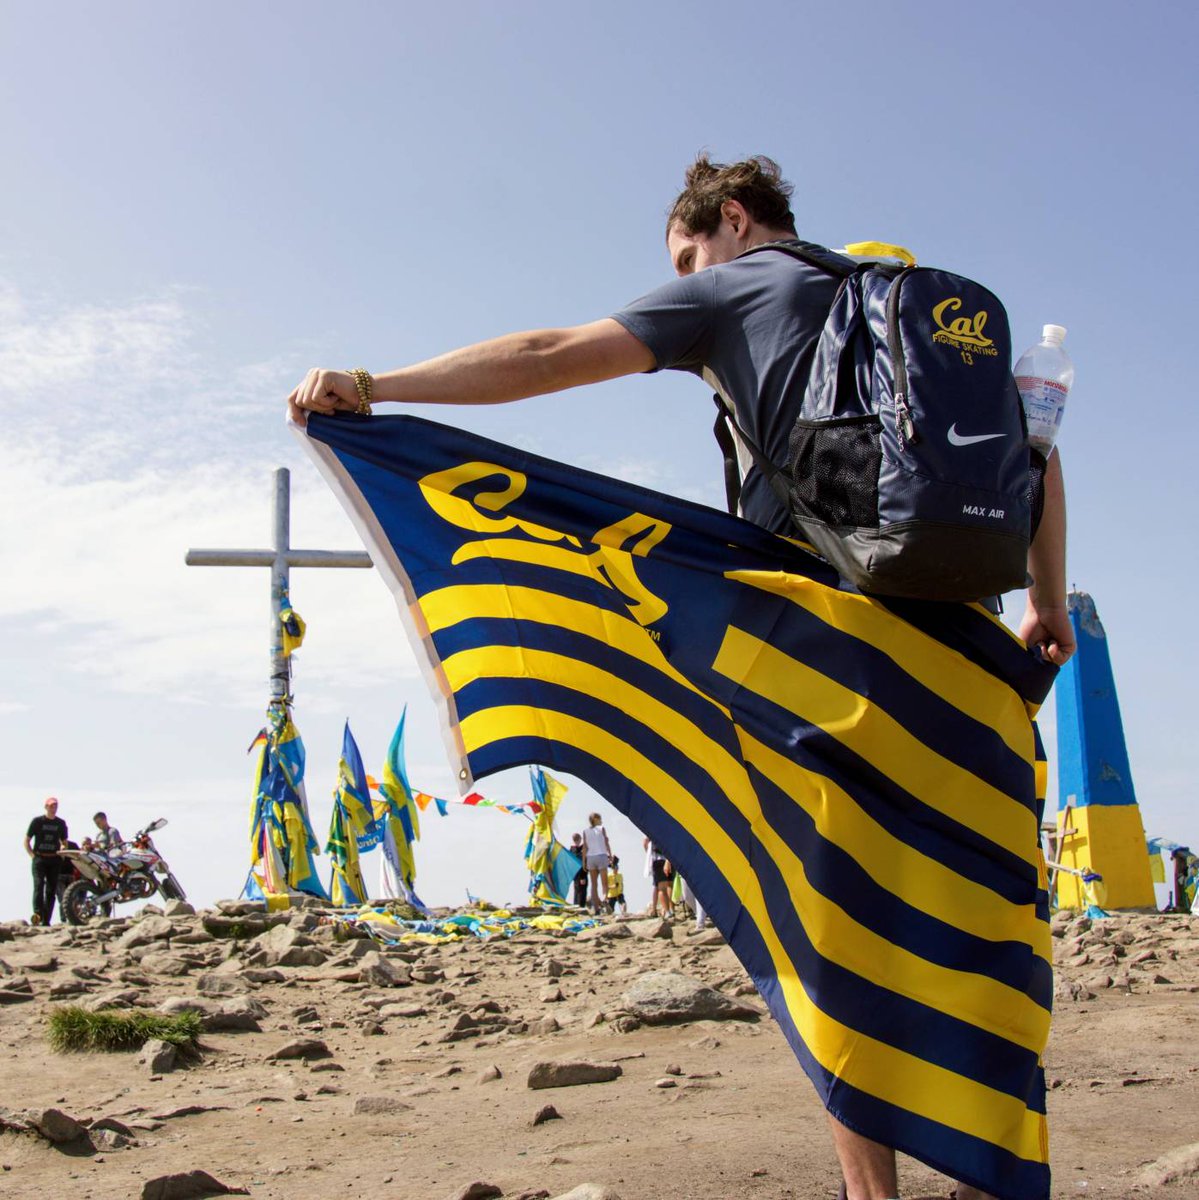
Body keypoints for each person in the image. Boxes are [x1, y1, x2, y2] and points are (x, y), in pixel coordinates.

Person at [288, 153, 1074, 1200]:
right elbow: (1038, 455)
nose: (682, 270)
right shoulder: (912, 308)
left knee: (818, 922)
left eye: (683, 251)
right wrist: (1049, 601)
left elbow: (549, 352)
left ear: (731, 220)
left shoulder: (741, 283)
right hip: (967, 670)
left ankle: (872, 1196)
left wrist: (377, 387)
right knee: (976, 927)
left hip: (830, 658)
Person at [24, 796, 68, 925]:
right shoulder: (37, 821)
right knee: (38, 886)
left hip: (54, 859)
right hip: (39, 858)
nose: (53, 808)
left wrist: (63, 852)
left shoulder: (60, 823)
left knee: (51, 890)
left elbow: (64, 842)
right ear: (46, 807)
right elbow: (26, 840)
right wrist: (32, 856)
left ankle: (46, 920)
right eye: (51, 806)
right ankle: (37, 916)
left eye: (55, 806)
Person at [581, 811, 612, 914]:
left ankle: (596, 908)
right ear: (596, 819)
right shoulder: (601, 829)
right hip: (602, 855)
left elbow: (585, 847)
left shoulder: (585, 831)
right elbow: (606, 843)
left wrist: (583, 861)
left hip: (591, 857)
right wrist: (610, 855)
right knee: (604, 883)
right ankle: (604, 899)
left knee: (594, 884)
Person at [644, 836, 673, 919]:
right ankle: (670, 909)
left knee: (662, 888)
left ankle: (667, 911)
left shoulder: (651, 828)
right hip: (668, 859)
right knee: (668, 886)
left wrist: (650, 854)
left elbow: (645, 842)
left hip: (658, 859)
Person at [569, 832, 588, 908]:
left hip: (579, 874)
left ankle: (578, 906)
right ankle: (578, 907)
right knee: (580, 891)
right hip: (579, 874)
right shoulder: (575, 849)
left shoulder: (574, 849)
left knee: (579, 891)